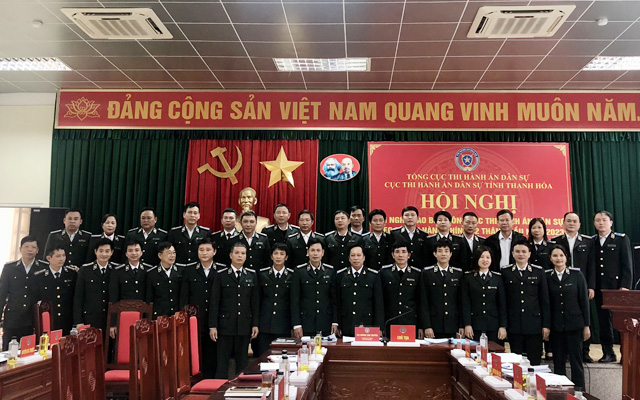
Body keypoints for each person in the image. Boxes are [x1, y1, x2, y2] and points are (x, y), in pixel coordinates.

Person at [209, 242, 259, 379]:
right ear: (231, 255)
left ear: (246, 256)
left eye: (243, 253)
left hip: (244, 325)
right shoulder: (221, 275)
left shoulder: (251, 275)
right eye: (237, 253)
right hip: (225, 326)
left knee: (242, 364)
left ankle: (241, 389)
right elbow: (214, 302)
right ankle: (220, 389)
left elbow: (255, 302)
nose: (240, 256)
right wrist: (213, 326)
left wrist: (255, 324)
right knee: (222, 364)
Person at [551, 211, 596, 362]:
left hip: (581, 285)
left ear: (580, 224)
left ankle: (584, 351)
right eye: (568, 221)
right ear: (563, 223)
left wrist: (591, 286)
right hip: (562, 285)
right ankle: (565, 352)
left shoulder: (588, 241)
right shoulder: (555, 241)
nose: (571, 223)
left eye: (574, 221)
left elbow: (592, 266)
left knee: (583, 316)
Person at [546, 245, 590, 391]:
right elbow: (546, 303)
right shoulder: (547, 276)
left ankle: (579, 393)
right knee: (558, 362)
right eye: (555, 256)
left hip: (575, 325)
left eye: (561, 255)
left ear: (566, 257)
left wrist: (586, 325)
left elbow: (584, 302)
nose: (558, 258)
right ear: (550, 258)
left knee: (576, 361)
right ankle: (560, 393)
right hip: (556, 326)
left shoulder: (577, 275)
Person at [501, 239, 550, 366]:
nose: (521, 254)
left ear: (529, 254)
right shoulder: (506, 272)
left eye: (524, 251)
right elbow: (503, 301)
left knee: (535, 362)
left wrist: (546, 325)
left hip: (534, 324)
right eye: (517, 251)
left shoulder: (538, 271)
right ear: (513, 254)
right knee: (516, 362)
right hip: (514, 324)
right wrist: (504, 325)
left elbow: (544, 301)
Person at [180, 238, 224, 378]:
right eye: (201, 250)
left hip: (215, 320)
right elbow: (184, 297)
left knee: (212, 355)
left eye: (208, 250)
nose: (204, 253)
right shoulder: (189, 270)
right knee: (194, 354)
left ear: (214, 252)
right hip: (195, 320)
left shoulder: (221, 270)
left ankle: (210, 382)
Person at [593, 210, 632, 363]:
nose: (601, 223)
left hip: (616, 287)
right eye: (598, 220)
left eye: (604, 220)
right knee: (603, 321)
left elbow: (627, 265)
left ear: (611, 223)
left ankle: (626, 353)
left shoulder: (621, 239)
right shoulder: (592, 241)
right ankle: (608, 352)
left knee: (621, 322)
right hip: (599, 288)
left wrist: (625, 286)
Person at [0, 236, 46, 349]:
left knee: (29, 352)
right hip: (13, 317)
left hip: (33, 318)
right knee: (8, 350)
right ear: (20, 249)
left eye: (33, 247)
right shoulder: (9, 268)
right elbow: (2, 294)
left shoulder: (43, 268)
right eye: (26, 247)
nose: (30, 250)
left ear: (37, 250)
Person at [291, 238, 339, 337]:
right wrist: (296, 324)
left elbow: (334, 299)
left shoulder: (330, 271)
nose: (315, 253)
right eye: (312, 250)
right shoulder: (299, 271)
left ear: (323, 253)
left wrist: (335, 322)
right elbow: (295, 300)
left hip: (326, 322)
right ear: (307, 252)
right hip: (306, 322)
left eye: (318, 250)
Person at [461, 246, 507, 344]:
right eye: (482, 257)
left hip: (493, 325)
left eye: (488, 257)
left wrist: (503, 326)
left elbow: (502, 304)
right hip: (474, 324)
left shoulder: (497, 278)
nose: (485, 260)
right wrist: (467, 324)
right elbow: (465, 303)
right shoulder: (468, 277)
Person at [419, 239, 464, 339]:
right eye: (440, 251)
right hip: (434, 325)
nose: (443, 254)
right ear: (435, 254)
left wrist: (462, 325)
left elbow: (461, 302)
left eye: (446, 251)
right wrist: (427, 326)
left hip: (453, 324)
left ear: (451, 254)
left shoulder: (458, 274)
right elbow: (424, 302)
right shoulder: (427, 273)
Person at [335, 245, 384, 337]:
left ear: (364, 257)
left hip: (367, 324)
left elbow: (378, 304)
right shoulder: (341, 275)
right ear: (349, 258)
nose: (356, 258)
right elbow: (337, 303)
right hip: (346, 325)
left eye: (358, 255)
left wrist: (379, 327)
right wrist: (338, 324)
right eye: (353, 255)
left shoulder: (373, 276)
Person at [255, 243, 293, 357]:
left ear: (286, 257)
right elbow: (257, 300)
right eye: (276, 253)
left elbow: (293, 302)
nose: (278, 256)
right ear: (271, 256)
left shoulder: (292, 275)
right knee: (263, 358)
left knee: (282, 358)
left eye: (282, 254)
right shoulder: (262, 274)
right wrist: (255, 323)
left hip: (283, 325)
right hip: (265, 325)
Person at [379, 241, 422, 338]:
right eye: (397, 252)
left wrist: (421, 326)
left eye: (403, 252)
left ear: (409, 255)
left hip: (410, 322)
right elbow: (380, 301)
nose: (400, 255)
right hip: (390, 321)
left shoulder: (417, 274)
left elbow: (420, 302)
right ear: (392, 255)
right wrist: (380, 326)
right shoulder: (384, 273)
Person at [73, 238, 115, 336]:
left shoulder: (115, 270)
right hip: (89, 318)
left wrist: (114, 322)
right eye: (101, 251)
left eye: (107, 251)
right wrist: (78, 321)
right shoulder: (85, 270)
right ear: (95, 251)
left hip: (108, 319)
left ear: (112, 252)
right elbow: (78, 297)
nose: (104, 254)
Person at [33, 246, 77, 334]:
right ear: (49, 258)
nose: (62, 259)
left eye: (63, 255)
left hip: (67, 320)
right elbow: (35, 299)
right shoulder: (40, 276)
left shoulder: (72, 274)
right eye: (58, 256)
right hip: (48, 320)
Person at [146, 242, 182, 319]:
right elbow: (149, 298)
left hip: (177, 316)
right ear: (160, 255)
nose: (172, 255)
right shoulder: (152, 274)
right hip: (159, 316)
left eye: (174, 253)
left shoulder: (181, 271)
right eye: (169, 253)